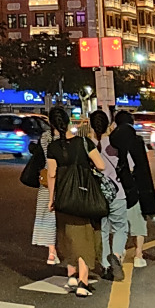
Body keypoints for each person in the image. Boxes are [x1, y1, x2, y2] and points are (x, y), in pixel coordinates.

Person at [46, 104, 105, 296]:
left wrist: (51, 199)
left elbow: (52, 175)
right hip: (83, 195)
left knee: (67, 237)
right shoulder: (84, 142)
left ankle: (71, 276)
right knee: (84, 240)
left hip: (63, 197)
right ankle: (83, 283)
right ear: (70, 121)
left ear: (52, 125)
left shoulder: (53, 147)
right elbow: (101, 165)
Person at [110, 109, 155, 269]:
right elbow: (142, 167)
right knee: (138, 223)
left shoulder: (111, 141)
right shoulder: (136, 141)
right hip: (136, 188)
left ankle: (118, 254)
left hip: (117, 189)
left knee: (119, 225)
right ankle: (139, 254)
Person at [87, 109, 129, 281]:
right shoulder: (114, 144)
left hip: (97, 195)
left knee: (103, 229)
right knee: (120, 228)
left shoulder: (87, 145)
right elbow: (130, 166)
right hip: (117, 192)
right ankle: (117, 256)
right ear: (108, 125)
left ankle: (105, 265)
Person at [23, 119, 57, 264]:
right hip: (66, 180)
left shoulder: (45, 137)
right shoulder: (68, 139)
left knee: (48, 215)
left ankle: (51, 252)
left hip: (46, 179)